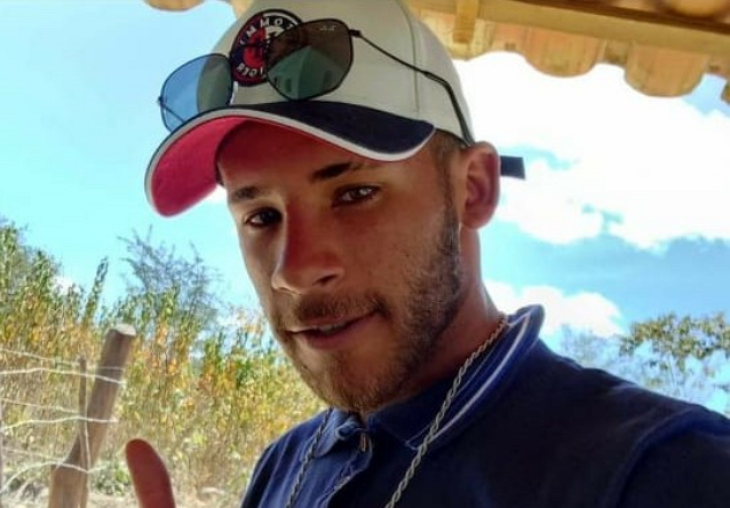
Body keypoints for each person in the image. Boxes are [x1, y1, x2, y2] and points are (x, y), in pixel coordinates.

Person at [127, 0, 730, 506]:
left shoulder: (660, 470)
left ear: (473, 189)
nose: (295, 270)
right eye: (260, 216)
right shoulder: (284, 466)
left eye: (355, 193)